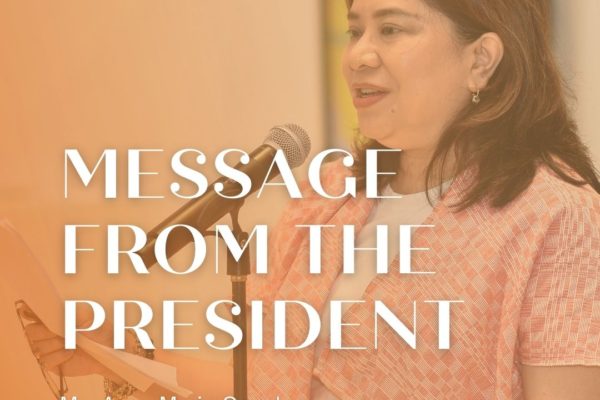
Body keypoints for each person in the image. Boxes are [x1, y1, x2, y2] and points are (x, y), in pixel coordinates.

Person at [21, 0, 600, 398]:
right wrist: (127, 353)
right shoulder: (329, 197)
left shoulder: (553, 214)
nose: (359, 55)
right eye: (355, 30)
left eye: (391, 30)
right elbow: (271, 383)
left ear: (481, 60)